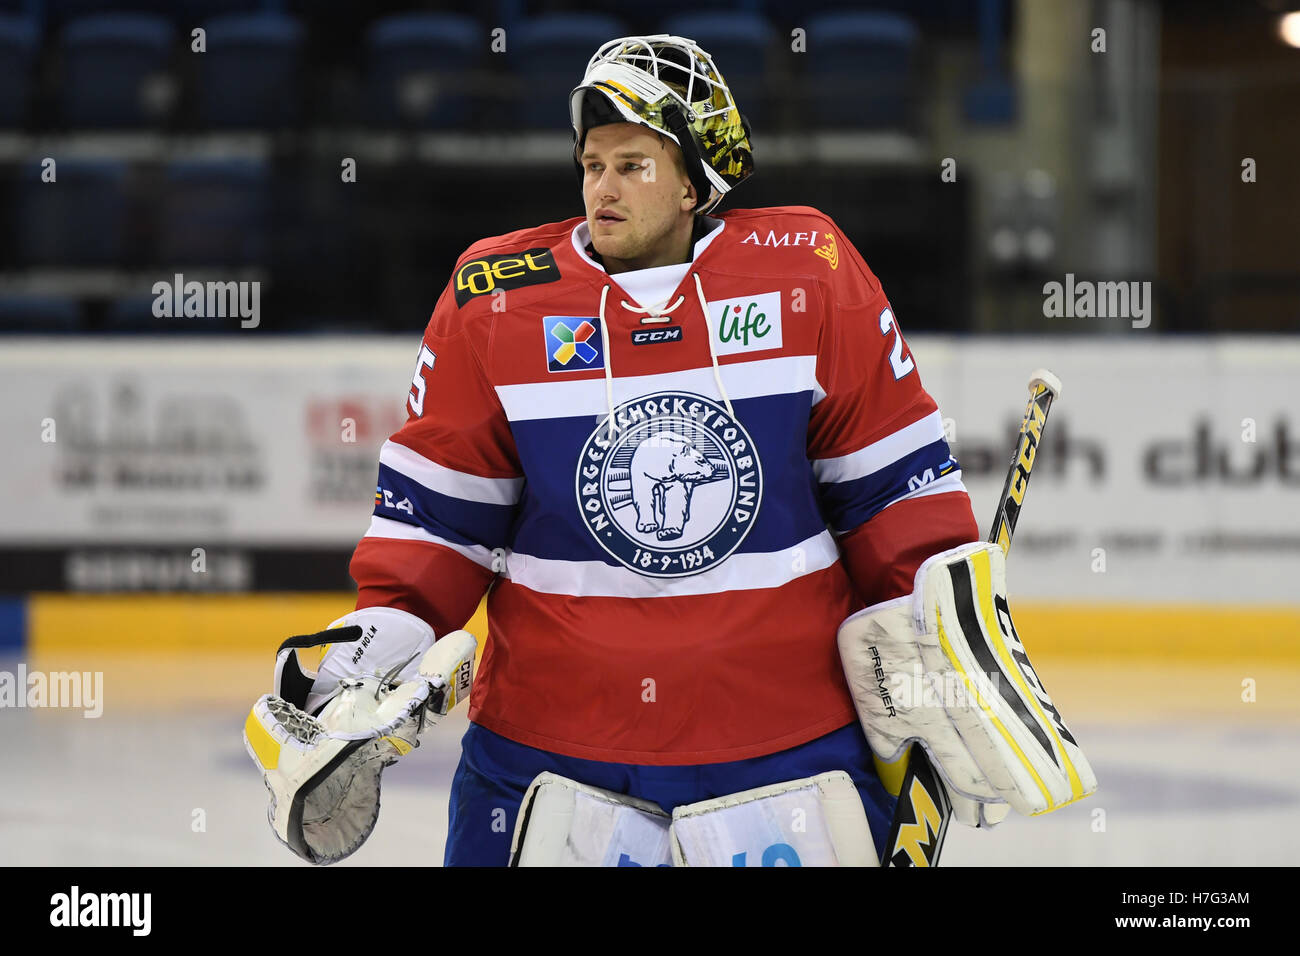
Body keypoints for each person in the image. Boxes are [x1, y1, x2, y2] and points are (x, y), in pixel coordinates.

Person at [255, 35, 986, 866]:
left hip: (787, 747)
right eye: (592, 164)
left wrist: (941, 638)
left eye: (633, 164)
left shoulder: (808, 271)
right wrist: (381, 640)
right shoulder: (494, 297)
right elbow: (437, 525)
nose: (603, 187)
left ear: (694, 181)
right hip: (547, 756)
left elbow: (893, 491)